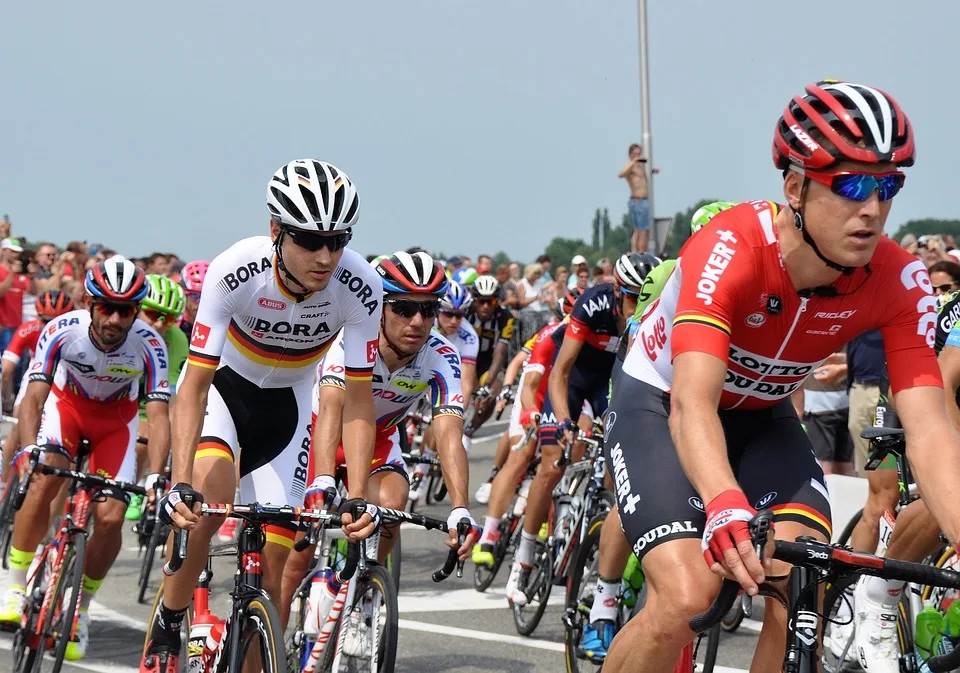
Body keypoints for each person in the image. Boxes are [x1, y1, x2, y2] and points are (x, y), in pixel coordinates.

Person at [599, 80, 960, 673]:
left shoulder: (899, 280)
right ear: (794, 186)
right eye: (850, 185)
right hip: (662, 409)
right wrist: (721, 504)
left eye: (887, 185)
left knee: (803, 593)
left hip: (764, 420)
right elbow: (692, 404)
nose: (872, 207)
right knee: (687, 597)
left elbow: (930, 429)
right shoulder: (730, 248)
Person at [141, 159, 382, 673]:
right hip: (225, 393)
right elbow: (195, 384)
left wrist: (357, 491)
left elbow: (360, 400)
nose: (325, 257)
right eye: (309, 240)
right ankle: (170, 615)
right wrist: (179, 481)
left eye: (337, 241)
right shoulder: (237, 269)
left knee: (272, 581)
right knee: (208, 505)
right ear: (276, 230)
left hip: (290, 408)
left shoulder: (359, 284)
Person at [278, 252, 478, 626]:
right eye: (403, 307)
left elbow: (450, 433)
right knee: (294, 559)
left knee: (392, 503)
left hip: (378, 440)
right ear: (381, 308)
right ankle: (267, 647)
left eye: (428, 310)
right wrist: (323, 479)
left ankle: (363, 597)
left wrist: (460, 508)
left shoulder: (441, 356)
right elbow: (332, 411)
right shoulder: (352, 339)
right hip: (315, 434)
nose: (417, 321)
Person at [1, 258, 170, 662]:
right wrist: (29, 449)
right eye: (106, 307)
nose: (114, 319)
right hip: (67, 409)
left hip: (116, 422)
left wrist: (157, 476)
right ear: (88, 303)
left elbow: (161, 416)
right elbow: (35, 395)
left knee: (111, 517)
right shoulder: (61, 330)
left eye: (126, 310)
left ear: (136, 311)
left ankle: (80, 608)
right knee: (43, 480)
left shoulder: (150, 344)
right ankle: (15, 582)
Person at [504, 253, 646, 607]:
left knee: (620, 473)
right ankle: (524, 555)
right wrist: (564, 420)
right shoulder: (594, 303)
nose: (634, 306)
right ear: (617, 291)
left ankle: (599, 565)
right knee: (553, 463)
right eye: (629, 297)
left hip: (609, 384)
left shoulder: (650, 312)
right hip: (573, 380)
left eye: (640, 298)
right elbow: (561, 371)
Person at [124, 275, 189, 522]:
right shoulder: (123, 327)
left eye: (169, 318)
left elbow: (170, 397)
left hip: (148, 396)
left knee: (148, 436)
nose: (161, 324)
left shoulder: (177, 340)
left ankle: (137, 486)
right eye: (153, 314)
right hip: (114, 392)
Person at [408, 279, 479, 501]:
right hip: (417, 373)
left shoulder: (469, 337)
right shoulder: (423, 323)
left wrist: (457, 411)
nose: (455, 321)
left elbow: (466, 382)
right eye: (449, 314)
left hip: (446, 379)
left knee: (441, 420)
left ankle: (421, 470)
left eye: (460, 315)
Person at [0, 290, 75, 476]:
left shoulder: (78, 332)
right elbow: (6, 370)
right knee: (21, 420)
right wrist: (5, 399)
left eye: (56, 321)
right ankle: (4, 479)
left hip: (68, 371)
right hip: (39, 366)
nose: (50, 326)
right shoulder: (29, 328)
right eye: (45, 320)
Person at [461, 276, 515, 451]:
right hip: (464, 356)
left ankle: (469, 431)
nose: (485, 306)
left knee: (492, 392)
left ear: (497, 301)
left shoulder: (505, 317)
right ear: (474, 300)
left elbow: (499, 354)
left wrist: (487, 385)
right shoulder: (465, 311)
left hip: (488, 360)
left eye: (490, 301)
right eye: (481, 301)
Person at [619, 143, 660, 254]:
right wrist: (633, 161)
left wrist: (652, 170)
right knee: (643, 230)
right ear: (630, 155)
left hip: (643, 201)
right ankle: (640, 253)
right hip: (638, 201)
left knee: (639, 230)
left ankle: (636, 252)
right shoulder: (630, 167)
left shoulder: (640, 168)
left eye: (639, 153)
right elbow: (621, 174)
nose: (637, 156)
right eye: (635, 154)